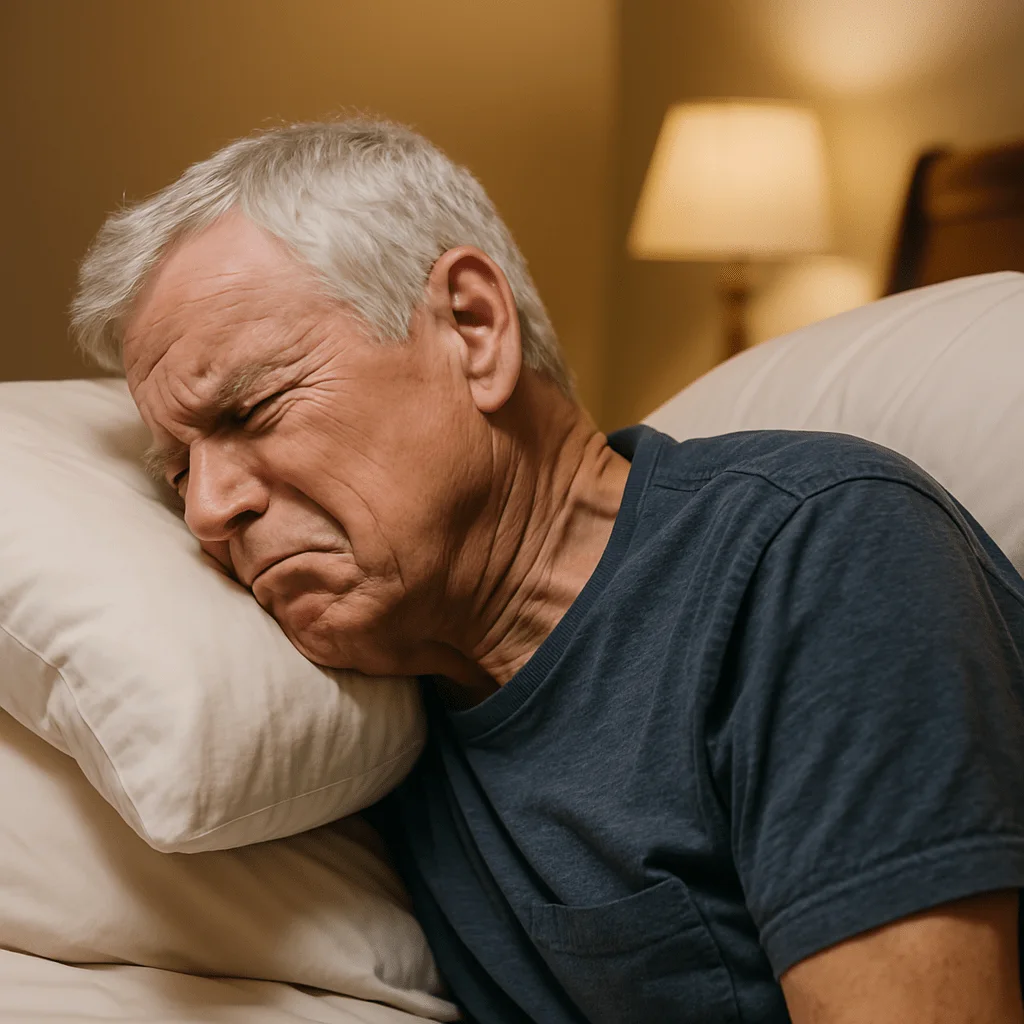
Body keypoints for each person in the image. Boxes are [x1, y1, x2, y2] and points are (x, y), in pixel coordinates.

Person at [72, 119, 1024, 1024]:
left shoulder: (811, 552)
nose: (207, 509)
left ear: (474, 330)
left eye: (252, 408)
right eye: (179, 467)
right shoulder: (371, 726)